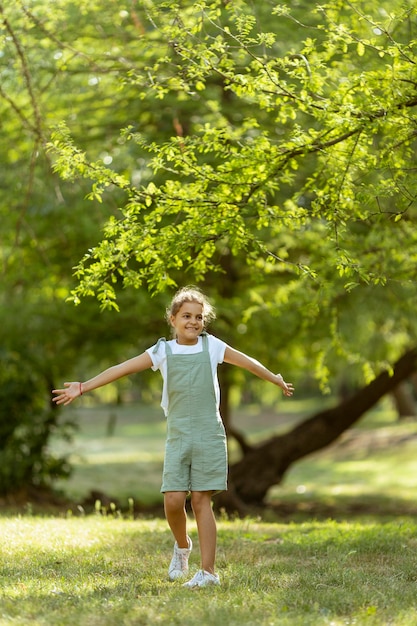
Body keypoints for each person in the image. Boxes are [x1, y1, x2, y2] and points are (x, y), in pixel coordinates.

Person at [52, 286, 294, 589]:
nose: (193, 321)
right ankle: (182, 547)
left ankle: (209, 573)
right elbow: (122, 369)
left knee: (202, 501)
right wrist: (84, 386)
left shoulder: (212, 347)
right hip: (178, 433)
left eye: (199, 317)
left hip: (209, 433)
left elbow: (247, 361)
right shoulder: (162, 351)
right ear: (173, 319)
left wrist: (274, 378)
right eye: (186, 316)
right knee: (173, 500)